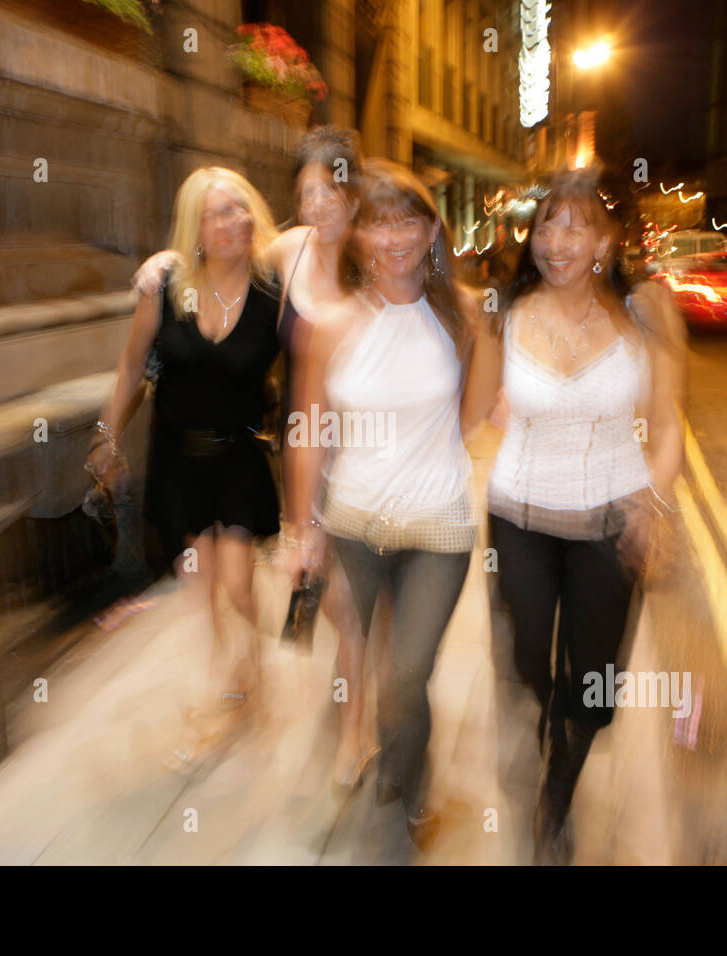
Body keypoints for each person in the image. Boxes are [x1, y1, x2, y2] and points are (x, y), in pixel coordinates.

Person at [134, 129, 379, 793]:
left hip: (375, 448)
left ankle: (360, 720)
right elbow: (215, 253)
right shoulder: (288, 254)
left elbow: (433, 301)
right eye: (308, 191)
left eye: (334, 187)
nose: (322, 202)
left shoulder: (379, 253)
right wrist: (162, 262)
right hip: (310, 447)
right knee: (325, 593)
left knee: (355, 601)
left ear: (356, 193)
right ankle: (314, 700)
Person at [460, 161, 687, 864]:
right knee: (528, 659)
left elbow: (671, 422)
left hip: (612, 523)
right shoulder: (505, 310)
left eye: (577, 225)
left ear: (608, 240)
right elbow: (474, 407)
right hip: (521, 517)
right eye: (548, 223)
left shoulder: (647, 311)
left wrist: (654, 500)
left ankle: (557, 792)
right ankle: (547, 722)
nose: (557, 241)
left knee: (591, 683)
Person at [285, 159, 482, 851]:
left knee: (408, 672)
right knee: (374, 665)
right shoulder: (330, 325)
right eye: (378, 222)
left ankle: (398, 787)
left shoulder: (462, 317)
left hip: (440, 526)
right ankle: (407, 775)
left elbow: (472, 417)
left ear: (432, 231)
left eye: (409, 220)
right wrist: (301, 528)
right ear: (359, 235)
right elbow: (307, 433)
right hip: (356, 526)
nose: (394, 236)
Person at [89, 166, 282, 774]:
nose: (235, 221)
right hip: (177, 459)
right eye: (219, 212)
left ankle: (250, 665)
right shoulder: (167, 286)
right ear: (194, 227)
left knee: (236, 585)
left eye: (242, 208)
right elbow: (129, 367)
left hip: (239, 457)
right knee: (198, 589)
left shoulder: (274, 291)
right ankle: (224, 693)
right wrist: (106, 436)